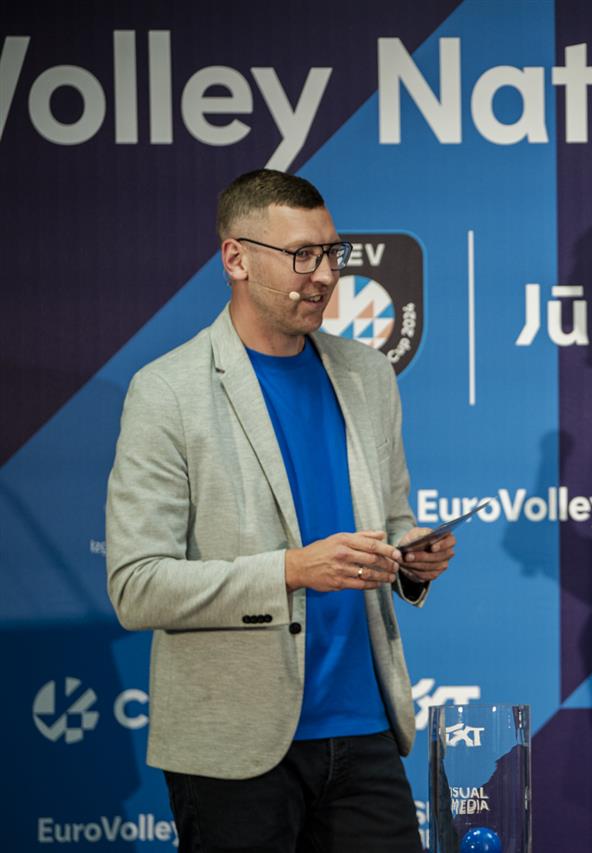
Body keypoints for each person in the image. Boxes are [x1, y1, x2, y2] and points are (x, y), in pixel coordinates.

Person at [106, 169, 454, 852]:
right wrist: (291, 570)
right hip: (234, 746)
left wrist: (412, 556)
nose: (324, 275)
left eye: (331, 252)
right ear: (236, 258)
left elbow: (392, 517)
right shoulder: (167, 391)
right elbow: (137, 586)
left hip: (365, 729)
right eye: (301, 254)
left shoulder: (367, 374)